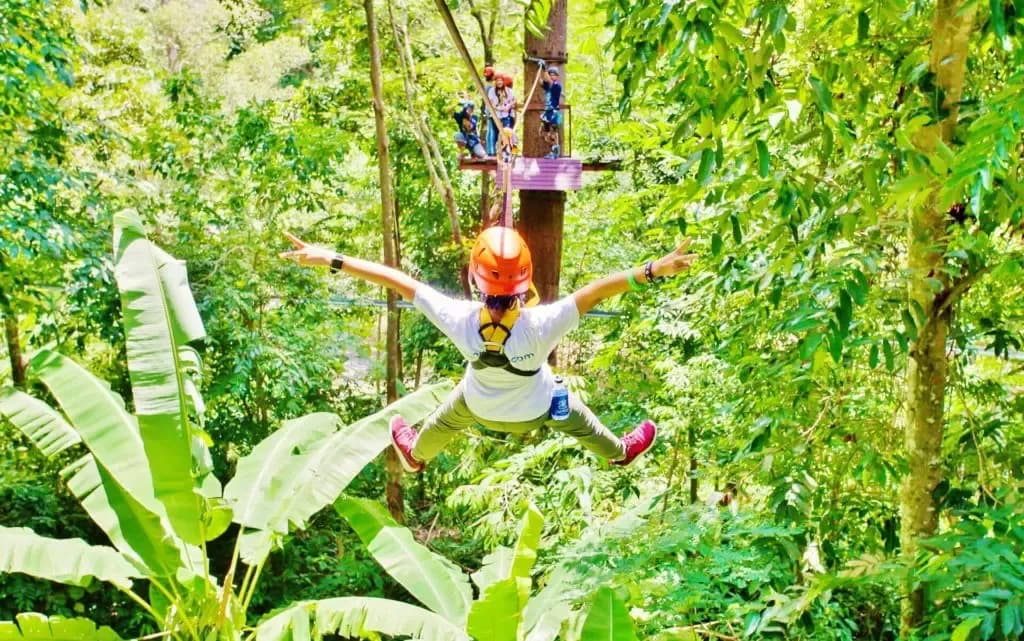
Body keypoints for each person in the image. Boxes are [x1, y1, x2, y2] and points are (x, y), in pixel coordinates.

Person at [279, 228, 697, 473]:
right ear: (526, 279)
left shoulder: (459, 319)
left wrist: (329, 258)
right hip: (536, 411)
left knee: (445, 417)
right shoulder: (540, 325)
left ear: (475, 280)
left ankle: (416, 454)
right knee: (569, 408)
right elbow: (596, 291)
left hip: (479, 407)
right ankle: (620, 453)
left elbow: (395, 280)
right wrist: (652, 270)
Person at [539, 64, 562, 158]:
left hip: (554, 112)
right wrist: (539, 69)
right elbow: (540, 81)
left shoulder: (556, 86)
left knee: (553, 133)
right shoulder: (548, 86)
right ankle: (554, 149)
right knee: (543, 133)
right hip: (547, 112)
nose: (551, 76)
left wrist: (544, 69)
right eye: (550, 74)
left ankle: (555, 152)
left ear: (557, 76)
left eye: (553, 75)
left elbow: (548, 80)